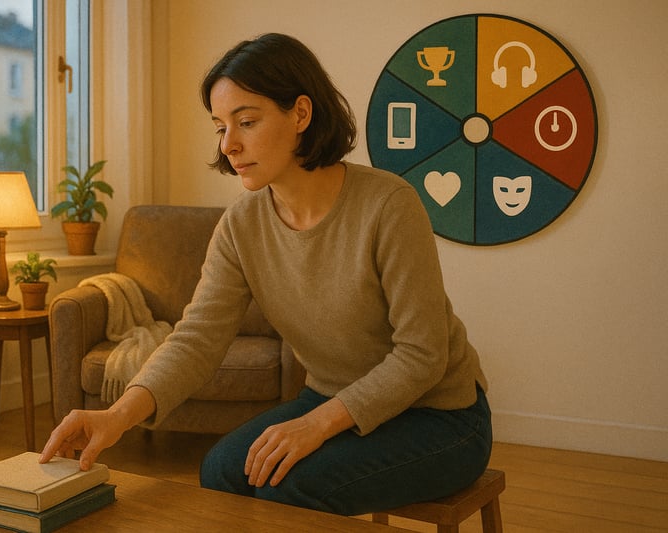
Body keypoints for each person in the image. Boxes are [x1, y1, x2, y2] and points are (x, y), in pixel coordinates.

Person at [41, 32, 491, 516]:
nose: (230, 145)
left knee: (287, 488)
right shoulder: (241, 223)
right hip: (329, 397)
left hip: (441, 416)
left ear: (300, 114)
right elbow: (197, 338)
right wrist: (117, 415)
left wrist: (318, 424)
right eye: (219, 127)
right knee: (221, 471)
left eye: (247, 122)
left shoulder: (389, 205)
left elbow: (422, 356)